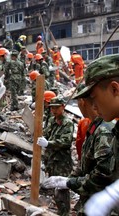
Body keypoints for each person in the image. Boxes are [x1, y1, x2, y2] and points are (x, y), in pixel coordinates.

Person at [42, 83, 114, 215]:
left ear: (81, 102)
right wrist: (69, 179)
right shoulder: (94, 126)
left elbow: (101, 177)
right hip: (90, 199)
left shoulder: (103, 130)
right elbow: (85, 161)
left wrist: (70, 183)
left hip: (99, 203)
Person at [63, 54, 119, 215]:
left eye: (94, 98)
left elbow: (104, 173)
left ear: (114, 89)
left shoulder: (105, 129)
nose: (93, 106)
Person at [37, 97, 74, 216]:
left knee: (61, 189)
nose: (54, 110)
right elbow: (46, 133)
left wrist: (48, 143)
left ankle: (65, 213)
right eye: (52, 107)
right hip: (51, 160)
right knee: (55, 188)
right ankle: (60, 210)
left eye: (57, 107)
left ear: (63, 107)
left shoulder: (67, 123)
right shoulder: (52, 120)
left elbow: (66, 142)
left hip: (62, 162)